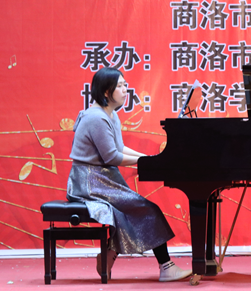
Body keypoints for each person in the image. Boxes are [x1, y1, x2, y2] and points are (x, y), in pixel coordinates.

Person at [67, 67, 192, 282]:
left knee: (134, 208)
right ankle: (166, 267)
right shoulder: (96, 118)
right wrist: (148, 161)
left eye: (125, 85)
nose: (126, 89)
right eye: (120, 86)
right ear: (106, 91)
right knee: (146, 208)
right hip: (88, 181)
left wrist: (151, 158)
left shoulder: (110, 114)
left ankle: (109, 256)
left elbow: (119, 148)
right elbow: (112, 157)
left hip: (102, 178)